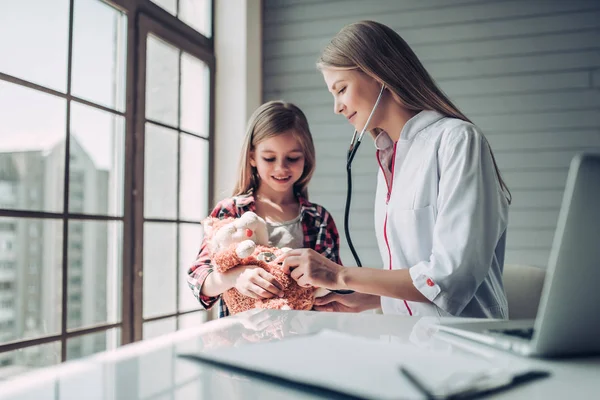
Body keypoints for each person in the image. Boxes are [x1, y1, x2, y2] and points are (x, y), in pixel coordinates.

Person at [281, 21, 512, 319]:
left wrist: (340, 276)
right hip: (409, 342)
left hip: (465, 348)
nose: (336, 107)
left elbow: (450, 278)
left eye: (341, 89)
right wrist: (367, 298)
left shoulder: (457, 140)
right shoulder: (390, 158)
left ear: (379, 74)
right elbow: (415, 277)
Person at [187, 100, 342, 318]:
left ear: (306, 157)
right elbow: (198, 280)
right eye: (269, 158)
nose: (281, 167)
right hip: (240, 344)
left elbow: (333, 284)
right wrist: (235, 276)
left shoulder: (318, 219)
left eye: (293, 158)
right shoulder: (230, 211)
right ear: (252, 157)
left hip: (302, 340)